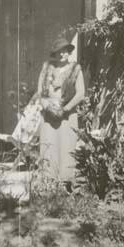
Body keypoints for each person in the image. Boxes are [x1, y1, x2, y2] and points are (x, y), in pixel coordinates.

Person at [37, 36, 85, 184]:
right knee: (49, 145)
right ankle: (49, 181)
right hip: (48, 116)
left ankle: (65, 182)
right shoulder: (46, 69)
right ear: (55, 53)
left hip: (67, 115)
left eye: (65, 51)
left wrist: (65, 109)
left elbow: (81, 93)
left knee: (66, 146)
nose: (63, 54)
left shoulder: (75, 69)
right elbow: (40, 92)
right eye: (59, 51)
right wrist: (46, 106)